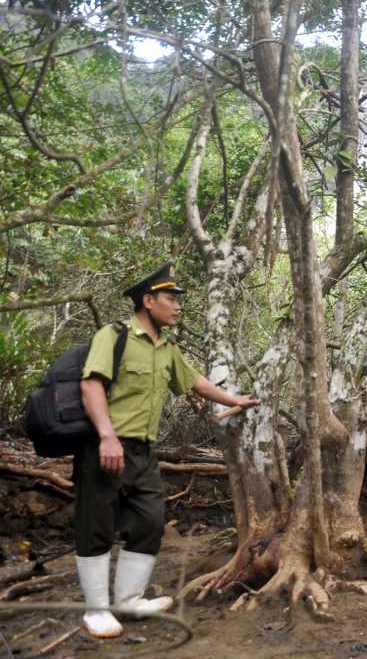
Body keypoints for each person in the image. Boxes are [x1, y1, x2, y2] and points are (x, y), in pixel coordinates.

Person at [75, 262, 259, 639]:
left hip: (143, 451)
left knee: (150, 521)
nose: (177, 307)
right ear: (147, 300)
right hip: (105, 443)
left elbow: (194, 381)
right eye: (170, 299)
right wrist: (107, 436)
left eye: (178, 300)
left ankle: (129, 600)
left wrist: (235, 398)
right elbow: (91, 386)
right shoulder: (115, 336)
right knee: (97, 524)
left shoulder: (166, 345)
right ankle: (96, 611)